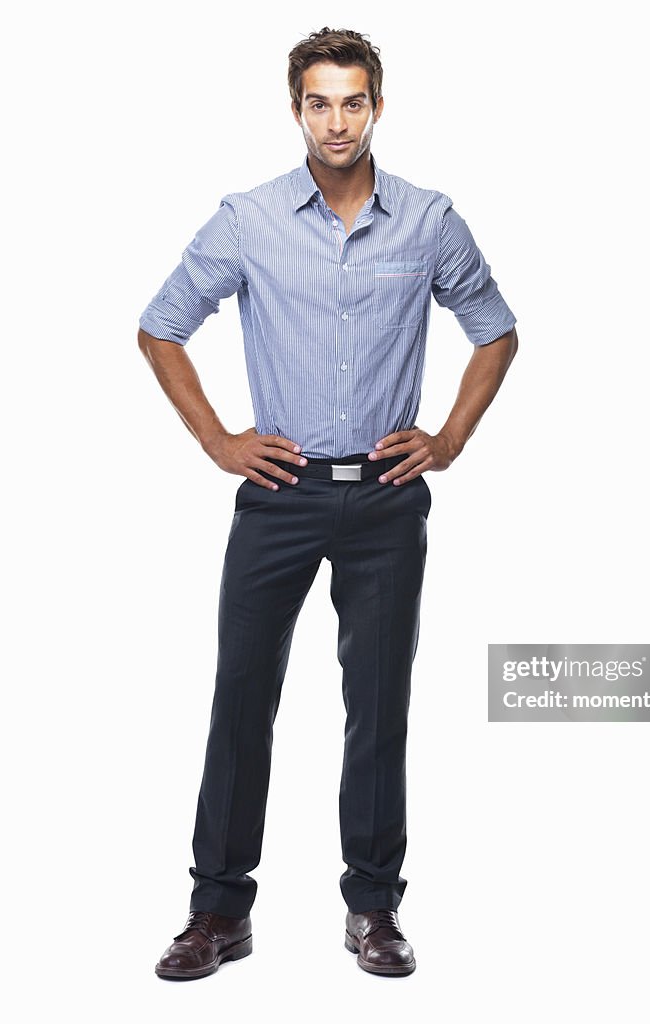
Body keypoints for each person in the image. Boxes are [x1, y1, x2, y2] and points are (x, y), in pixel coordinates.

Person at [138, 26, 518, 979]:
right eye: (320, 101)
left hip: (388, 500)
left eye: (354, 101)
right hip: (279, 495)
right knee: (241, 699)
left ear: (377, 106)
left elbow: (497, 331)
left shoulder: (429, 221)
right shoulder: (250, 219)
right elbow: (160, 328)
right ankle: (218, 913)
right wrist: (220, 441)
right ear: (296, 108)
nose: (337, 120)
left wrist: (450, 438)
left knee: (378, 708)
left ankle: (373, 910)